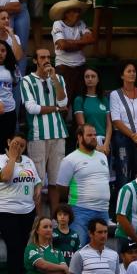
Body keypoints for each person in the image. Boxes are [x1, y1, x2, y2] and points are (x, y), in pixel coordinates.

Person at [20, 48, 68, 212]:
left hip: (58, 133)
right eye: (42, 57)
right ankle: (38, 220)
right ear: (35, 61)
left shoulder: (59, 78)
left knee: (56, 181)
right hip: (37, 135)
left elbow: (64, 104)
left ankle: (55, 220)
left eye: (49, 57)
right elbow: (32, 108)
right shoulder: (26, 80)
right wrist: (55, 108)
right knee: (37, 181)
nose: (46, 60)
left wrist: (54, 78)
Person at [0, 132, 40, 274]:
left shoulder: (28, 161)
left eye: (22, 146)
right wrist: (12, 158)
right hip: (7, 212)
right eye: (15, 143)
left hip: (27, 212)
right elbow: (5, 176)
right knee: (14, 246)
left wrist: (38, 189)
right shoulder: (1, 159)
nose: (18, 147)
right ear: (8, 141)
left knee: (22, 246)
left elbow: (37, 180)